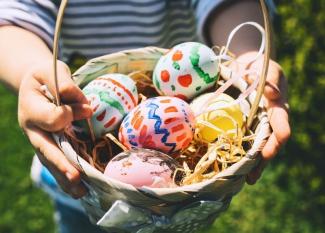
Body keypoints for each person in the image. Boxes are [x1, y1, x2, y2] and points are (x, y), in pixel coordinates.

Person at [0, 0, 290, 232]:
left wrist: (247, 58)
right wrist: (34, 71)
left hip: (180, 207)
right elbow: (15, 15)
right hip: (80, 183)